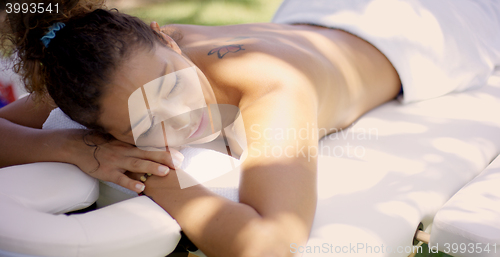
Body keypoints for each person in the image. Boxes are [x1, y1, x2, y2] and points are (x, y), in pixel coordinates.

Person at [1, 0, 498, 256]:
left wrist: (161, 178)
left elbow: (272, 243)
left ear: (168, 38)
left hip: (436, 26)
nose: (178, 118)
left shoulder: (273, 86)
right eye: (144, 124)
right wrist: (72, 147)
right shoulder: (102, 74)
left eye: (172, 85)